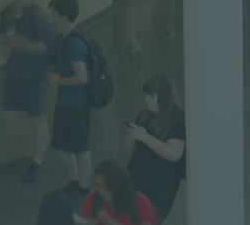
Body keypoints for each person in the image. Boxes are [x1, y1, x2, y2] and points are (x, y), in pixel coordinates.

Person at [0, 0, 57, 183]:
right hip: (13, 75)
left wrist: (23, 44)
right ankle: (25, 150)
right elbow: (2, 40)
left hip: (34, 76)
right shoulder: (7, 13)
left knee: (37, 118)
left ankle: (37, 162)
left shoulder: (39, 15)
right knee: (9, 117)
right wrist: (3, 47)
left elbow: (49, 47)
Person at [47, 0, 95, 200]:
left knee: (80, 149)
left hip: (76, 104)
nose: (51, 15)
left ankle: (84, 189)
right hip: (65, 103)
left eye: (54, 12)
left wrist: (57, 79)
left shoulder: (73, 43)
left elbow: (82, 77)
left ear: (63, 16)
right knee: (61, 146)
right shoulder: (65, 38)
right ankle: (74, 183)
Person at [121, 75, 186, 222]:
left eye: (151, 96)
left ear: (163, 97)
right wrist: (132, 135)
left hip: (159, 190)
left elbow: (174, 153)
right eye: (146, 95)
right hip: (135, 182)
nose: (146, 100)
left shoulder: (177, 120)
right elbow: (128, 147)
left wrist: (146, 138)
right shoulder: (145, 115)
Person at [79, 160, 159, 225]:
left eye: (105, 186)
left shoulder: (139, 200)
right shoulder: (93, 198)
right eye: (98, 186)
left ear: (116, 184)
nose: (100, 191)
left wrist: (112, 222)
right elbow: (82, 219)